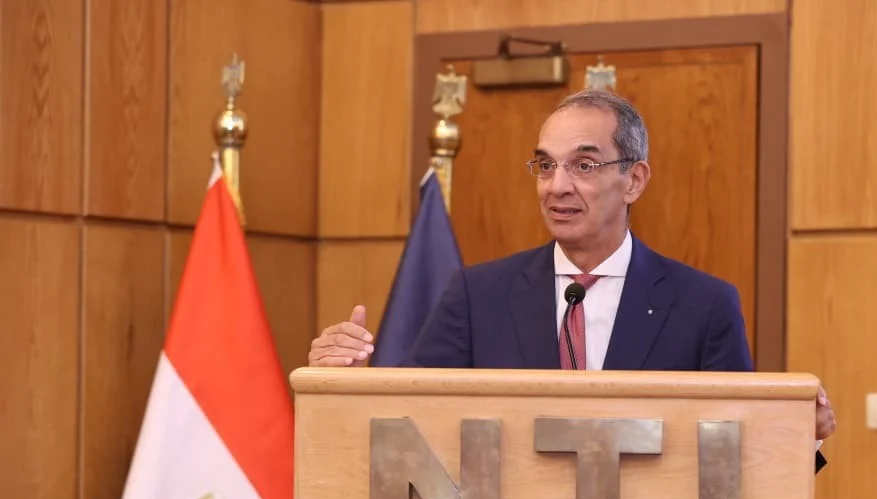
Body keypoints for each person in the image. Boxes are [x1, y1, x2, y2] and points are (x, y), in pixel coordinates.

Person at [308, 89, 837, 461]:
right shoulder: (478, 295)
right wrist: (345, 381)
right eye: (545, 166)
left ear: (634, 181)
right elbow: (408, 425)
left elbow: (737, 456)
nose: (556, 186)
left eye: (583, 166)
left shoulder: (703, 305)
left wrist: (802, 437)